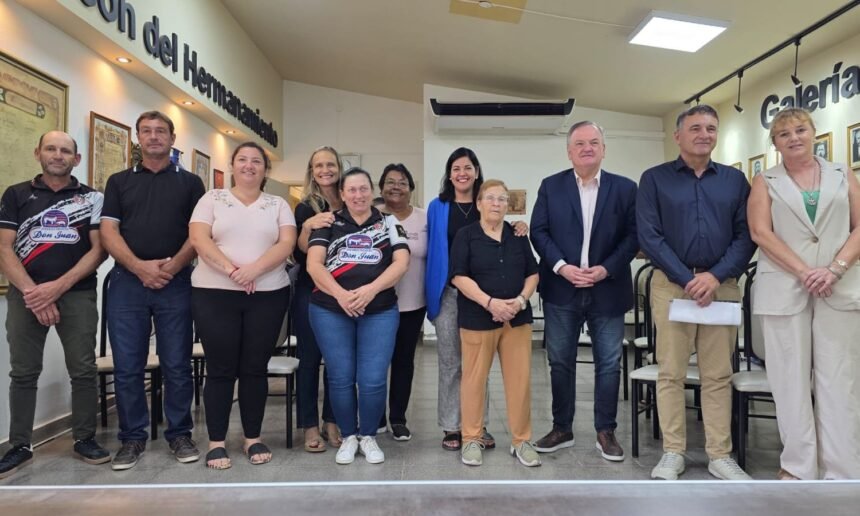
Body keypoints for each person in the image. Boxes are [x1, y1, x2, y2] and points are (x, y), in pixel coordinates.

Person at [637, 104, 756, 481]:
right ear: (678, 135)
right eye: (695, 128)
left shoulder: (735, 182)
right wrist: (687, 278)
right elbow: (649, 236)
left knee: (718, 374)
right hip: (672, 286)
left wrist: (714, 276)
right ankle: (673, 452)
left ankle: (720, 455)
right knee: (670, 372)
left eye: (710, 128)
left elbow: (746, 235)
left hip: (722, 288)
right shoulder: (654, 179)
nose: (704, 134)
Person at [748, 107, 860, 480]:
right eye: (783, 134)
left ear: (813, 133)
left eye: (800, 130)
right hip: (785, 288)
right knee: (789, 381)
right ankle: (798, 467)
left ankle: (842, 469)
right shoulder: (765, 180)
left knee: (839, 380)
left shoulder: (843, 174)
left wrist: (834, 269)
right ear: (775, 144)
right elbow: (761, 234)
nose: (793, 138)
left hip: (839, 288)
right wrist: (805, 271)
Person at [0, 132, 109, 479]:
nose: (57, 155)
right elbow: (4, 248)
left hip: (77, 293)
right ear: (38, 153)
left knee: (83, 368)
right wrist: (35, 292)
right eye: (51, 149)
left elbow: (98, 250)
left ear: (76, 159)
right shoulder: (16, 194)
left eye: (65, 150)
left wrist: (58, 287)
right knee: (23, 372)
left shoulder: (92, 198)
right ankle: (19, 445)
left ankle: (84, 439)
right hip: (24, 294)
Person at [100, 111, 205, 470]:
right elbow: (109, 233)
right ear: (138, 138)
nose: (154, 137)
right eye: (147, 131)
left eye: (161, 131)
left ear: (173, 138)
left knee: (177, 363)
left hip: (176, 283)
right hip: (128, 283)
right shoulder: (117, 182)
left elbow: (199, 234)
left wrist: (172, 267)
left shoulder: (191, 183)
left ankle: (179, 433)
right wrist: (140, 268)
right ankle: (132, 438)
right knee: (128, 366)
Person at [529, 121, 638, 461]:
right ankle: (562, 428)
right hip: (563, 289)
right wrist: (562, 266)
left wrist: (606, 268)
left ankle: (605, 431)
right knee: (560, 362)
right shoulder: (551, 186)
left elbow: (634, 236)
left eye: (594, 142)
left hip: (608, 287)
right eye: (580, 143)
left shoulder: (625, 188)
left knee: (609, 363)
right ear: (569, 151)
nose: (587, 148)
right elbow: (539, 231)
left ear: (604, 149)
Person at [188, 142, 297, 469]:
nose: (250, 165)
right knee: (220, 368)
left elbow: (287, 243)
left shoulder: (277, 204)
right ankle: (217, 441)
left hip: (267, 294)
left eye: (257, 161)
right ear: (233, 165)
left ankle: (253, 437)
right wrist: (233, 270)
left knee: (254, 367)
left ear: (265, 169)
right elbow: (199, 238)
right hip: (214, 293)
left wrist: (255, 270)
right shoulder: (211, 199)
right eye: (243, 160)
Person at [426, 147, 527, 451]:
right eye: (456, 168)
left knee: (477, 365)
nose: (462, 173)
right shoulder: (438, 206)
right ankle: (451, 426)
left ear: (476, 171)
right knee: (451, 362)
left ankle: (477, 426)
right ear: (449, 173)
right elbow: (433, 249)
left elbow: (501, 231)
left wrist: (519, 225)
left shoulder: (487, 204)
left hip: (486, 297)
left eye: (468, 167)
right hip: (449, 291)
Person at [306, 168, 410, 465]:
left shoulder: (389, 222)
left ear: (371, 191)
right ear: (342, 194)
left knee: (373, 379)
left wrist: (369, 291)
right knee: (340, 377)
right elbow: (314, 265)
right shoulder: (329, 222)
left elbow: (402, 262)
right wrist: (342, 295)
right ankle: (348, 436)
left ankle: (369, 436)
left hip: (378, 310)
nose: (358, 195)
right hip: (329, 310)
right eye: (351, 190)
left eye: (363, 189)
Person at [450, 179, 540, 467]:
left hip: (517, 318)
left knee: (519, 381)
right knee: (474, 381)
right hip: (478, 318)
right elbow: (459, 276)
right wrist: (490, 303)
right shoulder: (466, 235)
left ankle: (521, 440)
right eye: (490, 198)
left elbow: (533, 274)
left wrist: (520, 301)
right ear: (478, 203)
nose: (497, 204)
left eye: (502, 199)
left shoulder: (518, 235)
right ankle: (472, 439)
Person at [293, 146, 343, 453]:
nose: (325, 170)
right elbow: (298, 250)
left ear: (339, 167)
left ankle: (332, 421)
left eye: (330, 164)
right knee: (309, 360)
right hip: (310, 291)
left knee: (338, 363)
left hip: (344, 292)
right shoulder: (306, 206)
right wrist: (307, 226)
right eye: (318, 165)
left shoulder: (351, 200)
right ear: (312, 172)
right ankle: (310, 425)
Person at [376, 164, 427, 441]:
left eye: (403, 182)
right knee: (377, 362)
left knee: (403, 361)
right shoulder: (373, 218)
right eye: (390, 182)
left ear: (411, 188)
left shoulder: (424, 218)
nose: (396, 186)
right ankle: (376, 417)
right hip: (378, 305)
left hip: (413, 303)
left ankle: (398, 418)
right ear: (381, 187)